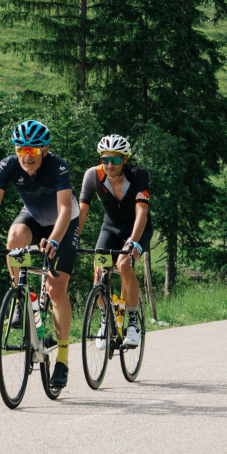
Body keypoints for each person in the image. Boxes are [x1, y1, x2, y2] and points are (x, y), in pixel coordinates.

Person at [0, 119, 79, 392]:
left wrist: (54, 239)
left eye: (33, 151)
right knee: (14, 238)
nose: (26, 157)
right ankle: (22, 295)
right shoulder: (7, 166)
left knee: (56, 289)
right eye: (21, 150)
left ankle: (63, 361)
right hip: (33, 217)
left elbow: (65, 209)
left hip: (63, 223)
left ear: (44, 150)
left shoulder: (58, 165)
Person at [79, 134, 151, 348]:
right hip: (110, 227)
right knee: (99, 269)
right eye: (105, 159)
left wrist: (133, 243)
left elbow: (142, 212)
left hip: (138, 227)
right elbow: (81, 213)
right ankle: (105, 319)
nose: (110, 165)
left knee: (123, 264)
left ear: (125, 160)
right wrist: (70, 239)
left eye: (115, 160)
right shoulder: (92, 176)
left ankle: (132, 322)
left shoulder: (139, 175)